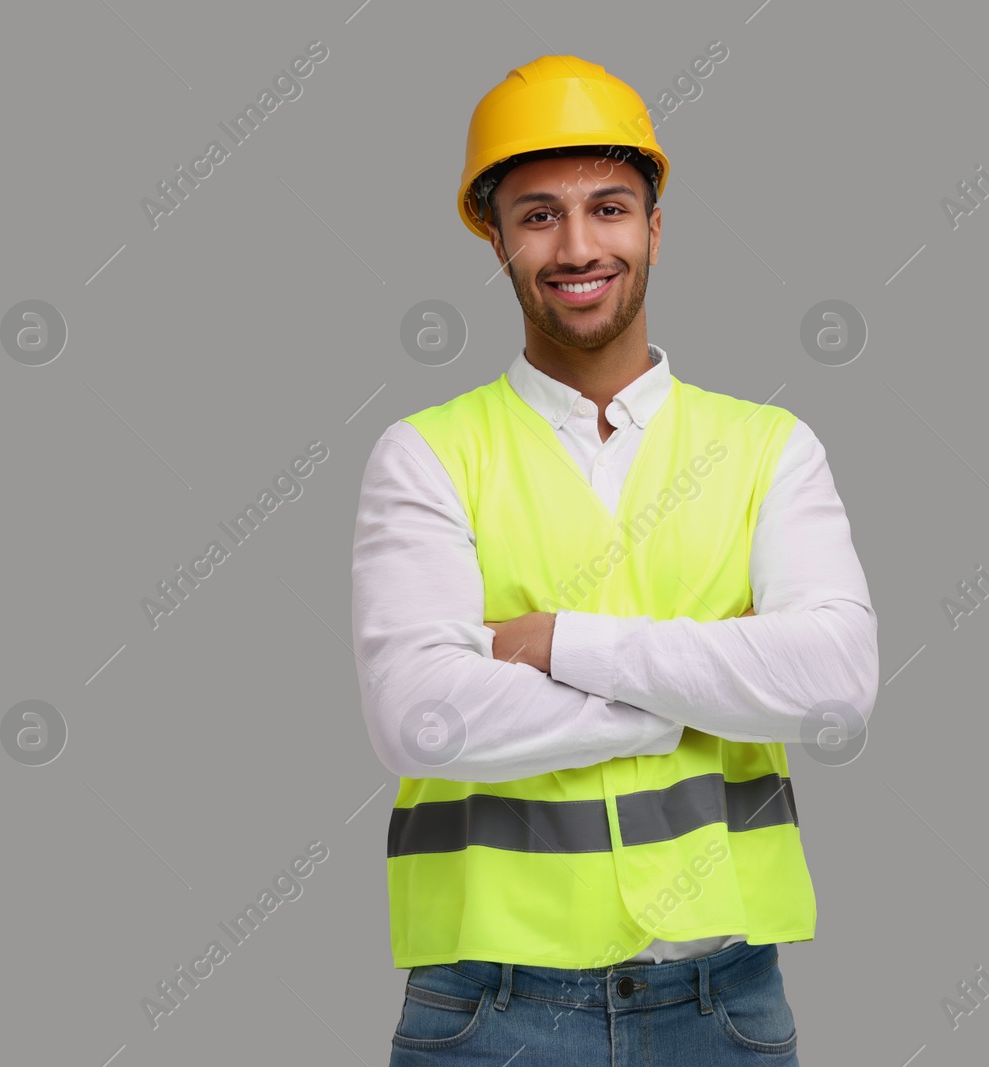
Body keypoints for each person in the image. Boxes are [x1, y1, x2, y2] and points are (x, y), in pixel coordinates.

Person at [350, 54, 879, 1065]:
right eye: (539, 214)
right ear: (495, 238)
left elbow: (834, 689)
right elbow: (417, 714)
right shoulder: (426, 454)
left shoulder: (772, 447)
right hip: (486, 1008)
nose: (578, 244)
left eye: (609, 206)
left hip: (722, 1003)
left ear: (654, 226)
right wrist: (713, 686)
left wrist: (555, 640)